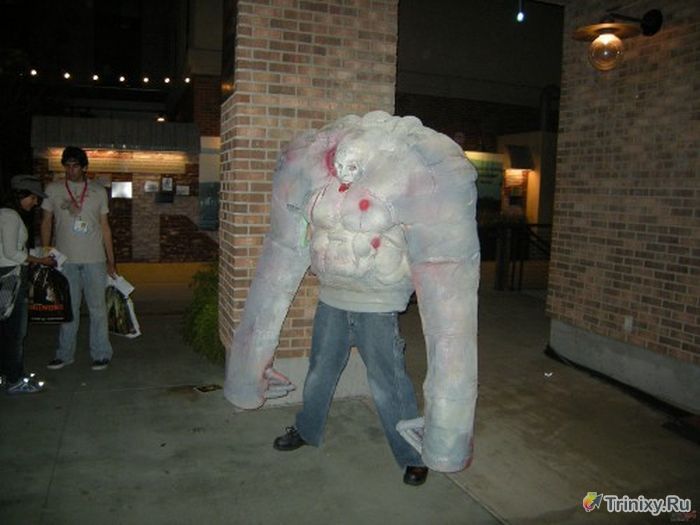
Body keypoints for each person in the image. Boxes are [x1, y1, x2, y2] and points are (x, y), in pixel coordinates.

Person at [224, 112, 480, 486]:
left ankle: (412, 456)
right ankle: (307, 428)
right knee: (319, 372)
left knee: (387, 382)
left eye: (352, 165)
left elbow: (450, 298)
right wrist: (247, 372)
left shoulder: (411, 170)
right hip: (332, 297)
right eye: (340, 164)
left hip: (379, 302)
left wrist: (447, 434)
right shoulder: (317, 172)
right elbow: (282, 252)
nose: (344, 171)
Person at [41, 146, 116, 371]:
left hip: (95, 259)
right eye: (67, 166)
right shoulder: (53, 189)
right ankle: (64, 354)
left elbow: (105, 227)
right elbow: (46, 221)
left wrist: (111, 261)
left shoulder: (98, 191)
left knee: (98, 309)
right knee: (68, 309)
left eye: (75, 166)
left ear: (84, 167)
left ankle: (101, 354)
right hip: (66, 260)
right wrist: (46, 252)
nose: (70, 170)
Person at [1, 175, 56, 394]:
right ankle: (14, 379)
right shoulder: (10, 215)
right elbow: (11, 252)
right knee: (15, 331)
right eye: (33, 198)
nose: (35, 203)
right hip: (10, 277)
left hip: (7, 274)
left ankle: (9, 374)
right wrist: (40, 260)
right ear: (21, 195)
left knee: (6, 330)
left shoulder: (5, 214)